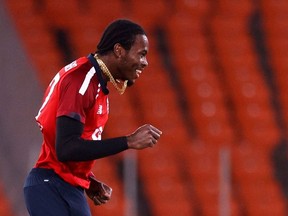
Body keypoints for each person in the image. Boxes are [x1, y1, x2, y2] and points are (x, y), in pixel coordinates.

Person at [23, 19, 162, 216]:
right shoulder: (82, 79)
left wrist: (87, 179)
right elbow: (66, 148)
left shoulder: (96, 84)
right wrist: (128, 141)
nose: (145, 62)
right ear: (119, 50)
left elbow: (66, 142)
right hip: (51, 186)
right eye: (141, 54)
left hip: (69, 186)